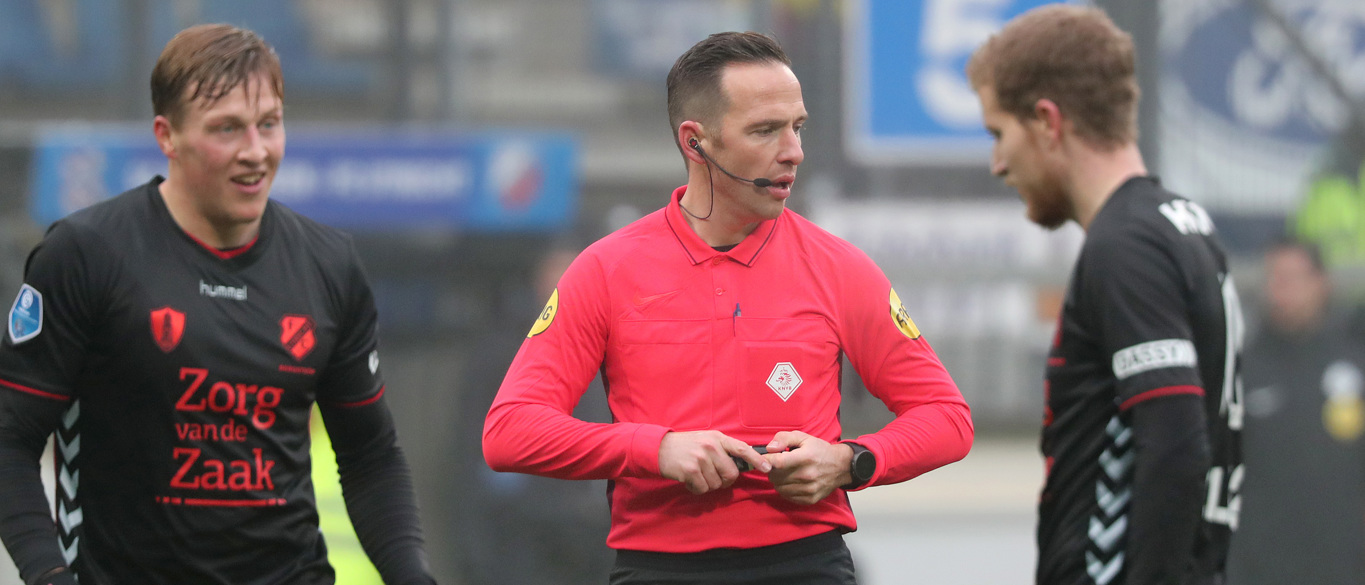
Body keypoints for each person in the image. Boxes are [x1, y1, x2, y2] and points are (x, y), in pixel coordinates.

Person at [483, 31, 974, 585]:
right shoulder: (606, 270)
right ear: (696, 143)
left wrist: (849, 460)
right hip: (658, 569)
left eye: (797, 127)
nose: (793, 151)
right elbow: (510, 432)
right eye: (765, 130)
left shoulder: (839, 268)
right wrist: (655, 449)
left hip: (806, 565)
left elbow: (947, 417)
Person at [0, 24, 435, 585]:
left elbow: (371, 456)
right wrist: (48, 575)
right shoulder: (87, 255)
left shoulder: (330, 265)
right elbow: (10, 441)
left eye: (269, 124)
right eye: (227, 129)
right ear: (167, 136)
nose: (255, 152)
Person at [968, 5, 1242, 585]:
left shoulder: (1127, 247)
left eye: (999, 134)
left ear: (1047, 122)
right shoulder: (1183, 224)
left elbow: (1176, 443)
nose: (997, 164)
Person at [452, 244, 613, 585]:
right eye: (556, 276)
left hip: (590, 532)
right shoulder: (502, 350)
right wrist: (477, 551)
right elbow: (470, 451)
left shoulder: (610, 346)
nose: (565, 287)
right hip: (521, 532)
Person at [1226, 240, 1365, 585]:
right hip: (1259, 566)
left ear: (1322, 282)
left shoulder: (1354, 361)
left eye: (1294, 277)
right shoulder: (1241, 370)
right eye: (1275, 277)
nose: (1283, 289)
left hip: (1345, 564)